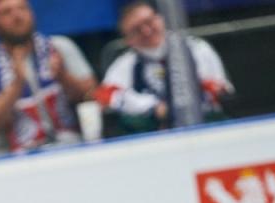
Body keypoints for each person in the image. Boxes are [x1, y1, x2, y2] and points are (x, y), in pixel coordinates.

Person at [0, 0, 97, 153]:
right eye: (6, 12)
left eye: (22, 8)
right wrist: (16, 86)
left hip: (72, 146)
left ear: (32, 14)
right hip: (16, 157)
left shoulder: (60, 47)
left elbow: (92, 96)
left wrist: (64, 77)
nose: (17, 15)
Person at [97, 0, 232, 134]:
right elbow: (106, 95)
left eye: (149, 22)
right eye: (136, 29)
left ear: (161, 19)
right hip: (150, 135)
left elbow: (221, 88)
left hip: (204, 125)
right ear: (128, 39)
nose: (146, 31)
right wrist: (152, 106)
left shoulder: (196, 49)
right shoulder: (126, 63)